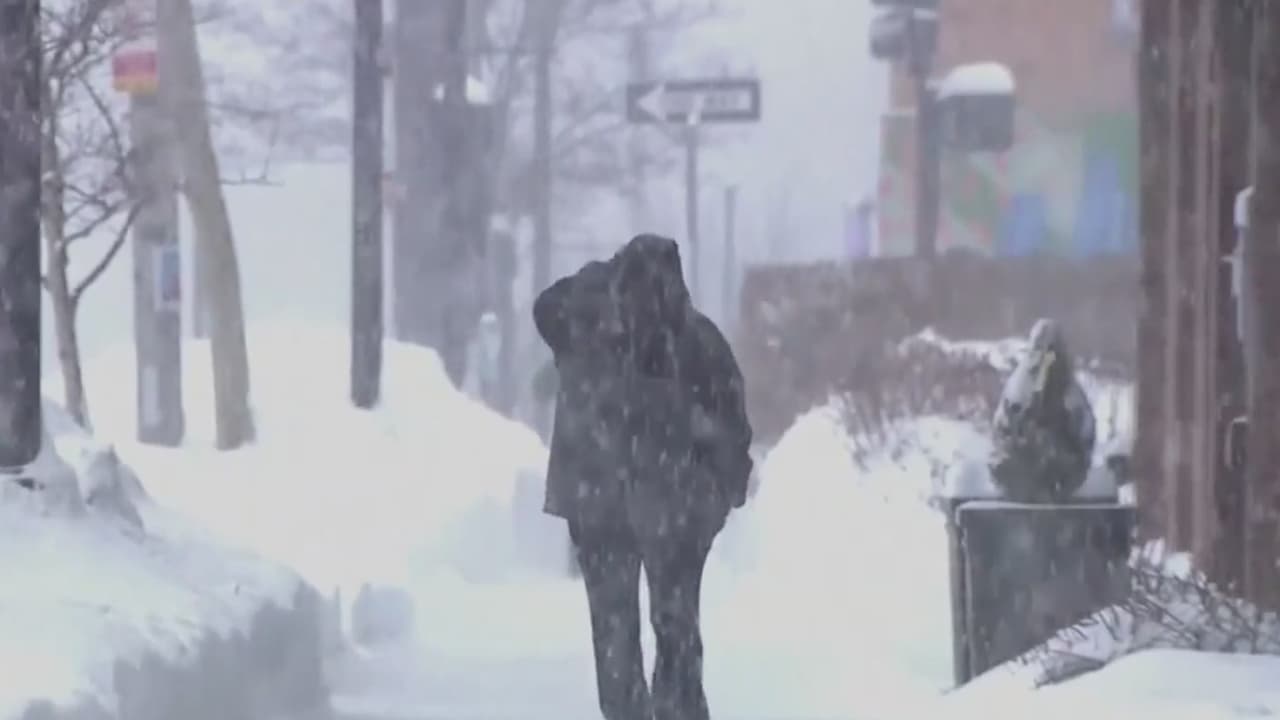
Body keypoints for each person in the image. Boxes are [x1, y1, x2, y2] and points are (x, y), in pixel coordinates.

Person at [532, 234, 753, 720]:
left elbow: (546, 306)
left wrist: (602, 275)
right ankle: (677, 709)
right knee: (675, 630)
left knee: (614, 635)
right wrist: (716, 496)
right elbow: (735, 436)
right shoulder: (695, 340)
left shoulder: (583, 326)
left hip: (604, 508)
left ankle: (635, 712)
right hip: (668, 511)